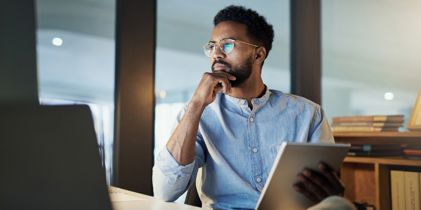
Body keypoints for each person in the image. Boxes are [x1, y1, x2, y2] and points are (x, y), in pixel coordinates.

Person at [153, 5, 353, 210]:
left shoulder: (308, 114)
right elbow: (165, 191)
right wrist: (195, 105)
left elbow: (326, 189)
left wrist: (332, 194)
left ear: (258, 55)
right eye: (212, 46)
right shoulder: (200, 113)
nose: (217, 54)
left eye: (228, 45)